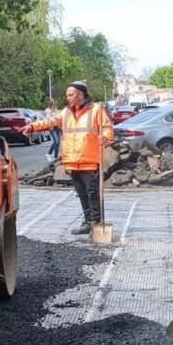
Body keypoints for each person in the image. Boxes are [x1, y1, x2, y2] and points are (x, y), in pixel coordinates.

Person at [21, 81, 113, 234]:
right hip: (72, 161)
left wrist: (105, 137)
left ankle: (96, 224)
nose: (68, 98)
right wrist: (32, 127)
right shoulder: (66, 112)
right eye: (67, 95)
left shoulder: (96, 110)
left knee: (93, 194)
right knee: (82, 194)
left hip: (89, 160)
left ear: (80, 94)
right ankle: (88, 221)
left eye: (70, 95)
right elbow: (51, 121)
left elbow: (107, 128)